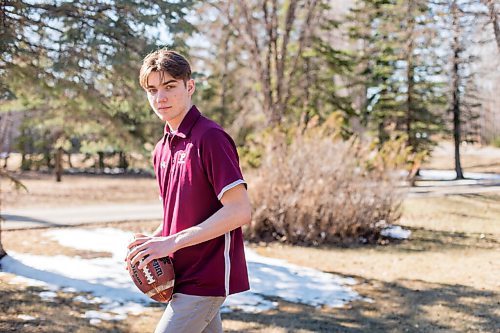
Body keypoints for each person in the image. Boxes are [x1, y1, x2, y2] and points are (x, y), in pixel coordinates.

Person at [125, 49, 251, 333]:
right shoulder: (161, 150)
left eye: (170, 86)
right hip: (181, 273)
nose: (161, 98)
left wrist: (170, 243)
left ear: (189, 86)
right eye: (153, 90)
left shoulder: (210, 137)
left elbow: (240, 211)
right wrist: (149, 246)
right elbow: (176, 218)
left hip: (206, 276)